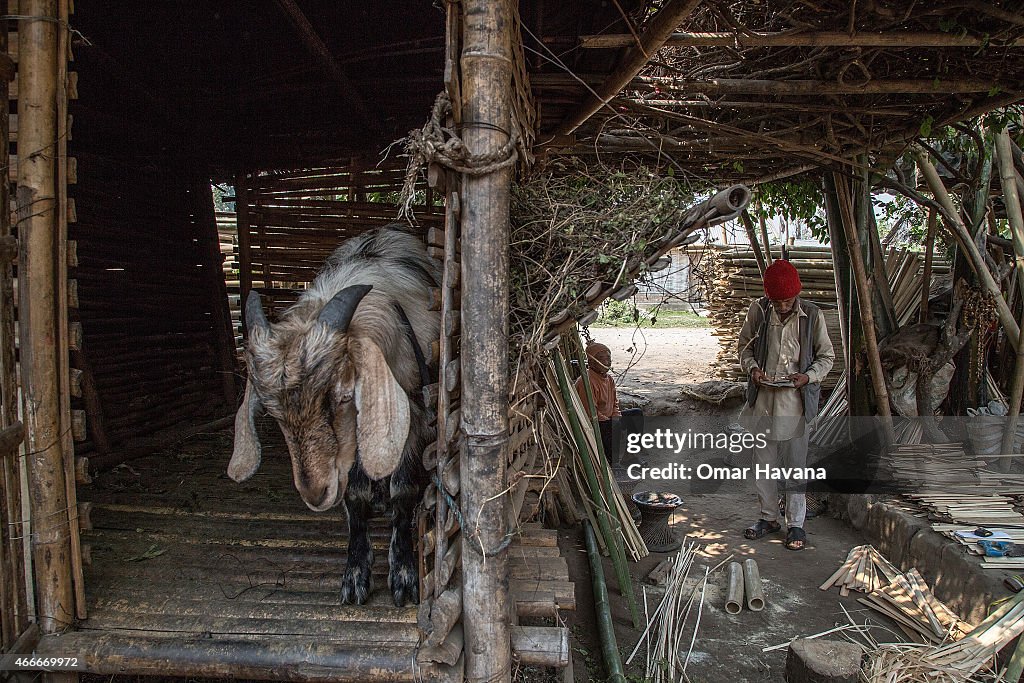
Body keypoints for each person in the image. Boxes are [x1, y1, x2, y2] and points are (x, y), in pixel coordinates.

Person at [737, 260, 835, 551]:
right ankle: (768, 518)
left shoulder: (813, 316)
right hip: (764, 402)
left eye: (787, 301)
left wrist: (808, 376)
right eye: (776, 301)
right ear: (768, 297)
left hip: (795, 403)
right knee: (763, 465)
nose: (781, 306)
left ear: (797, 295)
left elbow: (826, 358)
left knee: (795, 466)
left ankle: (796, 525)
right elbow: (744, 347)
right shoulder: (759, 311)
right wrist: (753, 368)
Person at [574, 342, 643, 469]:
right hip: (594, 423)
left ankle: (630, 456)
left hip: (609, 418)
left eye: (608, 358)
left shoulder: (609, 379)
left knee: (636, 414)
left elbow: (615, 403)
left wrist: (616, 415)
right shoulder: (586, 381)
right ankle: (612, 464)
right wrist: (612, 421)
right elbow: (590, 412)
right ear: (591, 362)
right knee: (612, 425)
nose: (606, 362)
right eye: (601, 359)